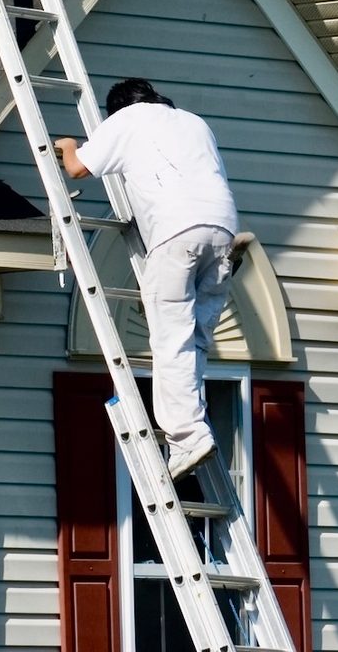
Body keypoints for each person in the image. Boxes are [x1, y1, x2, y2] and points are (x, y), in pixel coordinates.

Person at [56, 78, 253, 482]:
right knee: (196, 339)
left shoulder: (126, 119)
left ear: (117, 107)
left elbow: (77, 168)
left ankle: (188, 437)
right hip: (222, 230)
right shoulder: (193, 122)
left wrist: (66, 145)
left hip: (175, 233)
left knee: (171, 339)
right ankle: (194, 425)